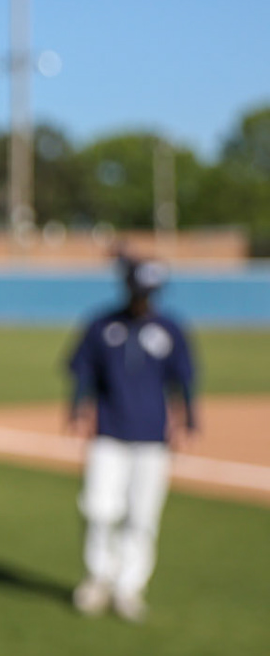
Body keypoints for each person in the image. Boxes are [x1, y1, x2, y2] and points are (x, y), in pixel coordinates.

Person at [65, 255, 197, 622]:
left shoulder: (170, 329)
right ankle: (98, 578)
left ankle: (129, 586)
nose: (142, 298)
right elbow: (83, 372)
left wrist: (189, 421)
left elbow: (184, 378)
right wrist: (77, 409)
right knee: (98, 509)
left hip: (153, 437)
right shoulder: (102, 325)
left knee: (142, 515)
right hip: (109, 432)